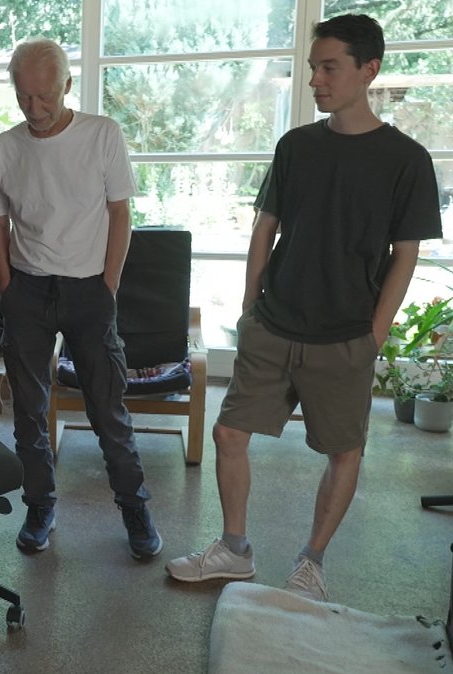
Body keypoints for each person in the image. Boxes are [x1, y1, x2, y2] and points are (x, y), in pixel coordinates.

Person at [166, 14, 442, 602]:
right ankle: (234, 550)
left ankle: (311, 563)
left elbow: (406, 253)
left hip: (346, 335)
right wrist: (249, 309)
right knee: (229, 432)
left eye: (328, 67)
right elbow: (266, 226)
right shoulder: (296, 146)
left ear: (369, 70)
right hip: (275, 322)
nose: (315, 79)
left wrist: (376, 333)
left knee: (345, 451)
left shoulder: (407, 159)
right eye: (313, 67)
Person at [0, 38, 163, 559]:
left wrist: (107, 284)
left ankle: (135, 509)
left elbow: (120, 214)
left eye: (45, 97)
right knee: (28, 413)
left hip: (89, 289)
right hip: (28, 288)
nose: (35, 110)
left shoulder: (102, 134)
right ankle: (41, 507)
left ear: (67, 85)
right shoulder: (5, 147)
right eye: (24, 98)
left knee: (108, 411)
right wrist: (7, 287)